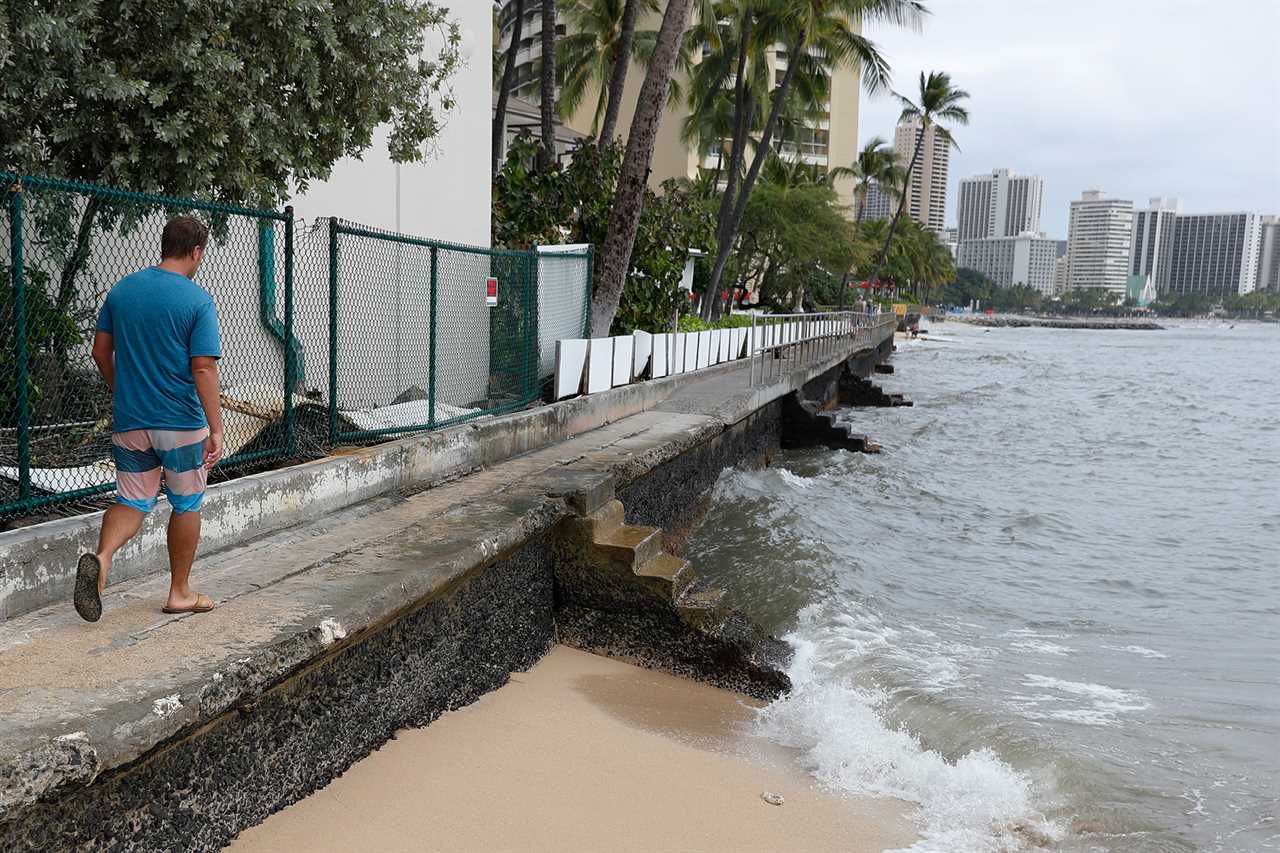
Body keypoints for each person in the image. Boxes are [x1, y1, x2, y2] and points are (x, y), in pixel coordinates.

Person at [73, 216, 225, 622]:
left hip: (131, 420)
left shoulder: (123, 291)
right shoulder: (197, 301)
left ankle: (103, 560)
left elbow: (100, 353)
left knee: (132, 501)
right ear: (196, 252)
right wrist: (217, 428)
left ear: (163, 245)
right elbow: (204, 369)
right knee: (187, 501)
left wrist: (120, 390)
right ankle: (179, 592)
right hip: (180, 423)